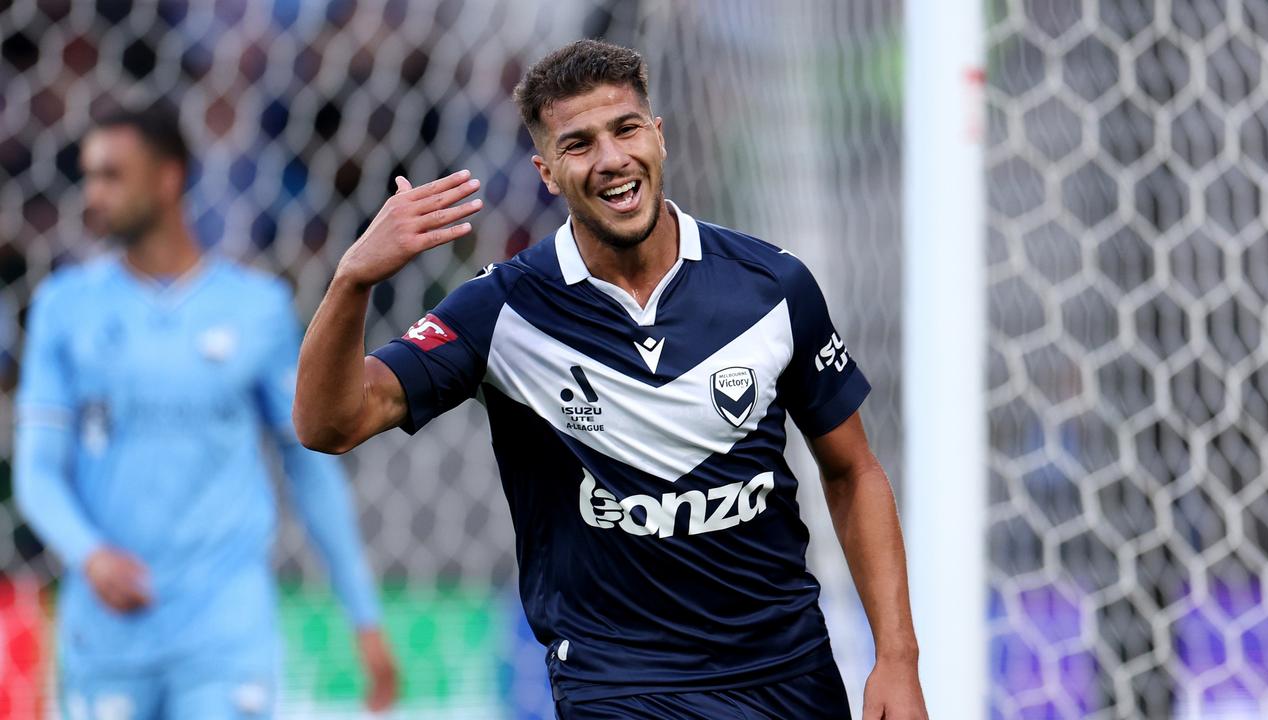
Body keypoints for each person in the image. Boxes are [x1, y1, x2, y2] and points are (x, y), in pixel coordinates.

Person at [295, 39, 928, 719]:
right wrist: (352, 280)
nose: (611, 159)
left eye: (626, 129)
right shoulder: (503, 309)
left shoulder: (771, 286)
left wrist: (896, 659)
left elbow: (853, 471)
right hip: (617, 685)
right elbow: (329, 423)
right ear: (546, 172)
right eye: (579, 144)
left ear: (658, 137)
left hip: (785, 673)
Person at [14, 104, 398, 718]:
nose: (93, 194)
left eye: (112, 175)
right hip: (107, 632)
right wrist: (89, 553)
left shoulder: (256, 308)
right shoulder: (64, 307)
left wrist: (364, 615)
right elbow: (36, 471)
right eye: (89, 176)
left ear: (168, 179)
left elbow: (311, 466)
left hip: (224, 631)